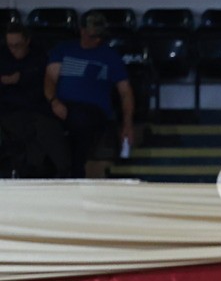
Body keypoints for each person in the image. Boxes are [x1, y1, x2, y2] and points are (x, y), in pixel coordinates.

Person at [44, 13, 134, 178]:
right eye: (93, 36)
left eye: (100, 36)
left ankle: (75, 171)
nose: (97, 40)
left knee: (81, 124)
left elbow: (125, 92)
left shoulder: (110, 56)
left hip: (92, 109)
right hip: (61, 105)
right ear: (82, 31)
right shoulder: (64, 50)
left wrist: (127, 124)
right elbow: (50, 79)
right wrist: (54, 101)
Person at [1, 23, 69, 177]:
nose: (13, 49)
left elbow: (43, 81)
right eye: (10, 45)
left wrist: (20, 78)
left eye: (17, 45)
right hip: (8, 111)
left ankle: (60, 172)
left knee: (47, 131)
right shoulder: (3, 56)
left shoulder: (40, 57)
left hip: (37, 110)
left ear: (27, 41)